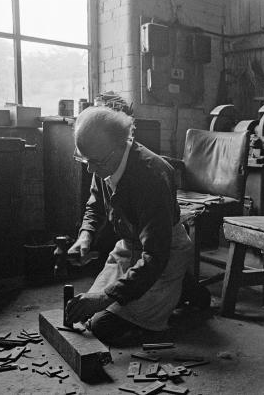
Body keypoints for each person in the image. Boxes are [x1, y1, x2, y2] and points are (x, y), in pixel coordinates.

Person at [65, 106, 194, 346]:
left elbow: (155, 256)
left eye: (95, 162)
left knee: (103, 325)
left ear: (120, 145)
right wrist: (85, 237)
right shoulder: (102, 159)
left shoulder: (153, 176)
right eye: (84, 160)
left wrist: (105, 297)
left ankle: (182, 287)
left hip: (163, 253)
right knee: (89, 314)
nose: (90, 169)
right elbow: (95, 205)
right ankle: (181, 288)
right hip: (129, 247)